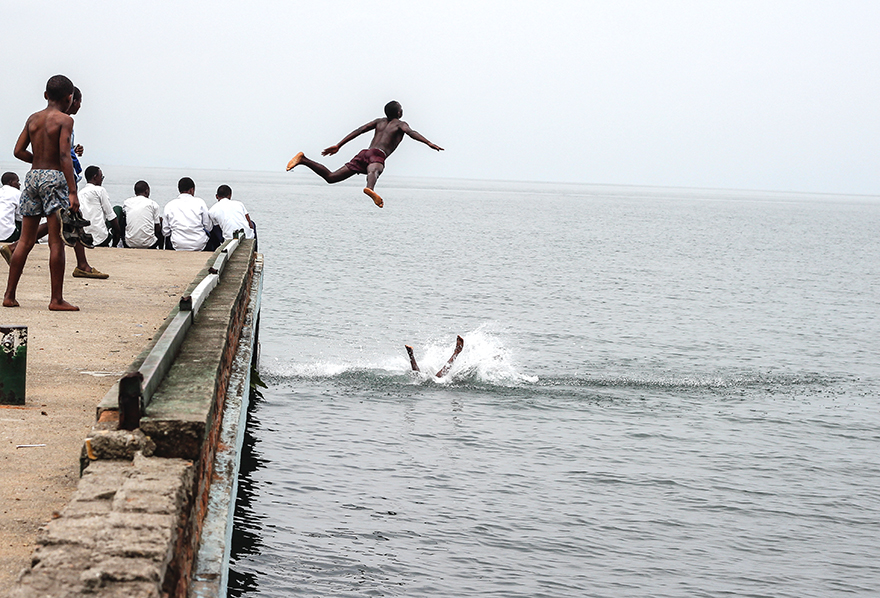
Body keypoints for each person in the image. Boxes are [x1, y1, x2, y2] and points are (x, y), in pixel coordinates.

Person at [4, 75, 79, 310]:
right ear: (69, 98)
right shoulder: (64, 120)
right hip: (54, 178)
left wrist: (37, 160)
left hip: (33, 176)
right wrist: (73, 191)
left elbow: (18, 151)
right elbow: (65, 156)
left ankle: (9, 295)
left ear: (46, 95)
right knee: (56, 242)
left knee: (25, 240)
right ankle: (56, 299)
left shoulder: (33, 119)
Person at [286, 100, 443, 208]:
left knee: (331, 177)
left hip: (364, 153)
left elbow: (359, 130)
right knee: (375, 170)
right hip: (377, 154)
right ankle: (370, 188)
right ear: (399, 112)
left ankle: (303, 159)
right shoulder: (401, 124)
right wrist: (428, 142)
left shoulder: (379, 122)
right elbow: (411, 132)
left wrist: (339, 145)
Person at [162, 177, 212, 251]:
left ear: (179, 190)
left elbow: (165, 232)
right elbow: (208, 227)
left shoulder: (169, 205)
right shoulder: (200, 202)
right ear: (192, 190)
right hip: (199, 244)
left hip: (177, 244)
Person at [78, 165, 121, 248]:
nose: (102, 180)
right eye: (101, 177)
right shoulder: (99, 190)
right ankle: (115, 244)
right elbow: (110, 215)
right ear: (95, 177)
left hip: (85, 236)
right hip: (100, 237)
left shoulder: (80, 193)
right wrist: (118, 232)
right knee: (117, 210)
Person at [122, 180, 162, 249]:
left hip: (129, 243)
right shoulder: (153, 204)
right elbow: (157, 229)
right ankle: (162, 250)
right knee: (160, 223)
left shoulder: (127, 202)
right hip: (149, 244)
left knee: (124, 218)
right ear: (147, 191)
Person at [0, 173, 22, 246]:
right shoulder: (17, 193)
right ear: (10, 182)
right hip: (6, 235)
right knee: (25, 220)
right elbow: (21, 216)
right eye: (17, 182)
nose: (19, 184)